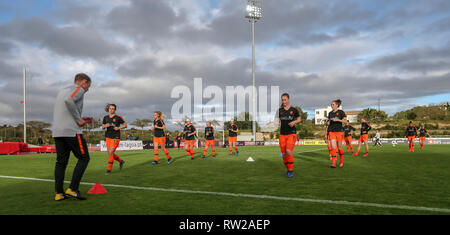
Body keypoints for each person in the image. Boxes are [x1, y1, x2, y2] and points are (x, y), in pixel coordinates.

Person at [52, 73, 92, 201]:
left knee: (61, 163)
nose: (87, 90)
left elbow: (66, 105)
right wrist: (78, 120)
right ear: (83, 82)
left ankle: (59, 193)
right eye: (88, 87)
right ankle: (73, 189)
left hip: (58, 131)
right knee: (84, 158)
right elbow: (69, 101)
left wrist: (80, 118)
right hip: (71, 131)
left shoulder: (62, 90)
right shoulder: (78, 89)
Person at [274, 93, 301, 178]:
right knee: (284, 154)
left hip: (291, 133)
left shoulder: (294, 109)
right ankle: (288, 169)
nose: (284, 101)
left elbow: (299, 119)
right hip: (282, 134)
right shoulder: (279, 110)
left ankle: (290, 170)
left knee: (288, 151)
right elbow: (275, 120)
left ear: (288, 99)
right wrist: (276, 123)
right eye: (282, 100)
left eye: (285, 99)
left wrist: (294, 122)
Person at [102, 104, 126, 175]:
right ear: (108, 109)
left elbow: (125, 125)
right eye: (110, 108)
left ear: (115, 110)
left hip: (115, 136)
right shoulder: (105, 117)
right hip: (108, 137)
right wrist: (105, 126)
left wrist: (118, 128)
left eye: (113, 108)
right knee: (110, 153)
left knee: (111, 152)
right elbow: (102, 126)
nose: (111, 110)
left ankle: (109, 170)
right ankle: (121, 161)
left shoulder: (118, 117)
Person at [327, 99, 347, 168]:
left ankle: (341, 160)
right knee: (333, 147)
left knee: (339, 148)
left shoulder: (341, 112)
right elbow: (328, 122)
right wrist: (328, 122)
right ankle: (333, 163)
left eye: (333, 104)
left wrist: (338, 120)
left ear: (337, 105)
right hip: (332, 132)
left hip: (339, 132)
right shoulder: (330, 113)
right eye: (331, 104)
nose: (331, 105)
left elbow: (345, 121)